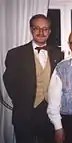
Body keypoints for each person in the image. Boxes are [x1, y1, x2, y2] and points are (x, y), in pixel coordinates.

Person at [3, 14, 64, 143]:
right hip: (25, 114)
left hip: (49, 114)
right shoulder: (16, 54)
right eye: (37, 28)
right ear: (31, 30)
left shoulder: (58, 54)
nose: (41, 32)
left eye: (45, 29)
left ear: (50, 31)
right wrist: (22, 101)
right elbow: (9, 81)